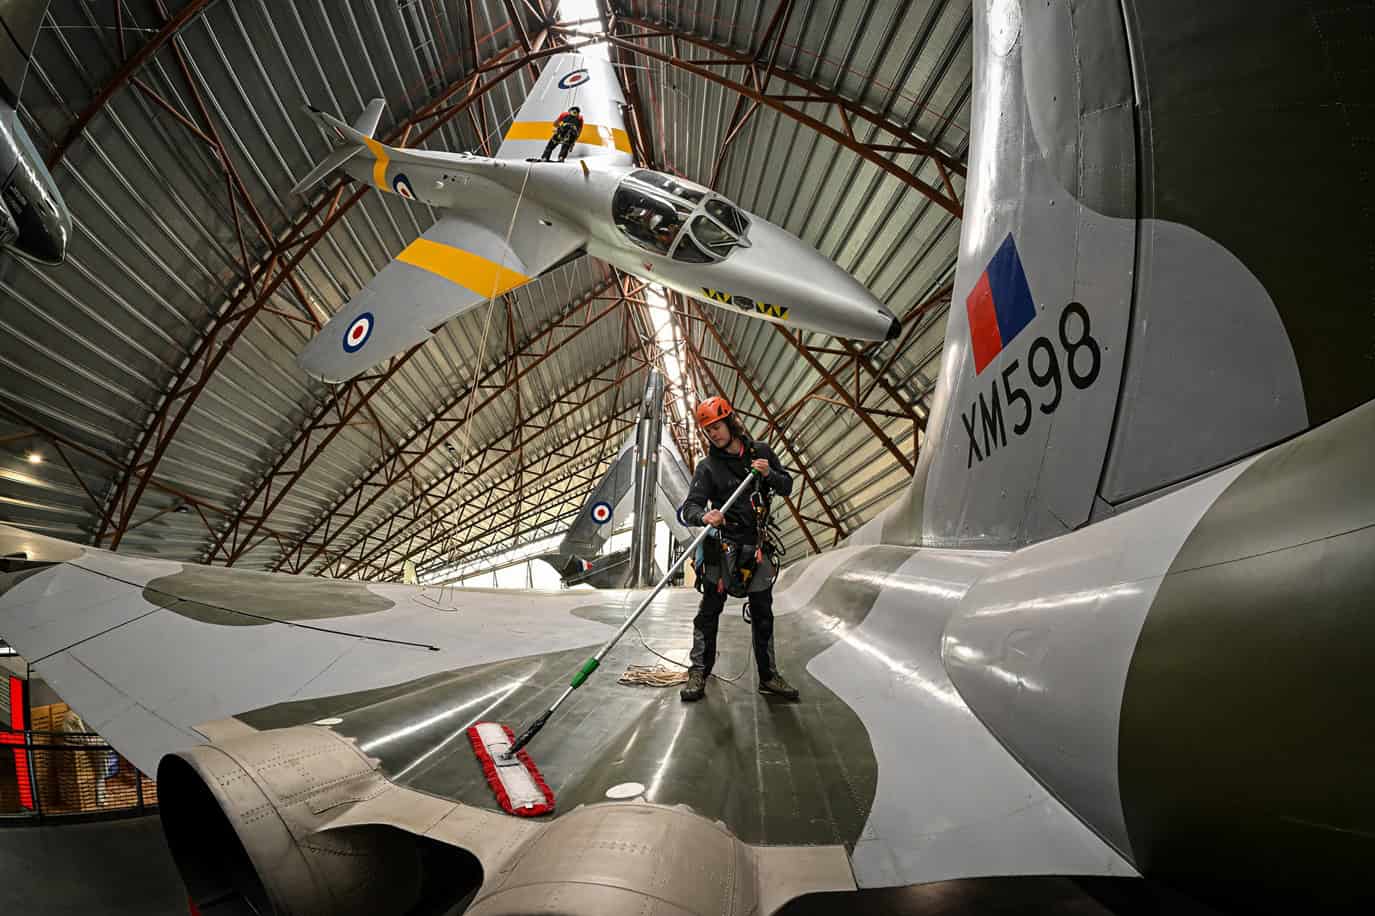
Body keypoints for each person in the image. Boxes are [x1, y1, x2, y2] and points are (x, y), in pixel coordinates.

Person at [679, 396, 799, 702]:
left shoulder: (761, 453)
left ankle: (768, 677)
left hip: (756, 547)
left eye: (717, 426)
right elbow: (689, 508)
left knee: (763, 613)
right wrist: (704, 516)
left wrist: (769, 474)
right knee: (708, 612)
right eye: (708, 430)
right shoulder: (708, 468)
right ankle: (699, 672)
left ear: (730, 423)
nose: (714, 434)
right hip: (723, 548)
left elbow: (787, 486)